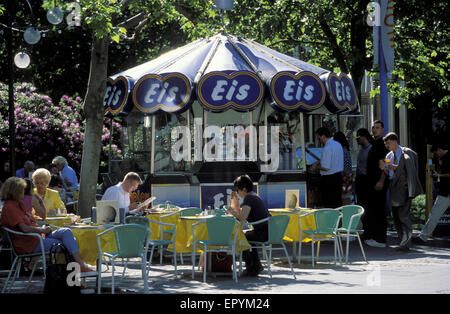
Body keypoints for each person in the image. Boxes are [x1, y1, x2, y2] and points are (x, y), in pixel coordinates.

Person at [0, 177, 94, 273]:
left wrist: (42, 227)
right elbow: (24, 228)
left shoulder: (17, 204)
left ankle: (77, 269)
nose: (26, 194)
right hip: (30, 244)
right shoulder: (10, 207)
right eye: (23, 190)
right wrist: (42, 230)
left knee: (66, 233)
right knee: (69, 243)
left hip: (37, 238)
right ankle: (76, 270)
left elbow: (37, 219)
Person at [380, 132, 423, 251]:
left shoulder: (406, 152)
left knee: (403, 215)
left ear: (395, 141)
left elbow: (411, 171)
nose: (387, 146)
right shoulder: (389, 155)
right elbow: (389, 173)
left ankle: (406, 242)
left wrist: (396, 167)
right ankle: (402, 240)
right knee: (397, 217)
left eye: (388, 143)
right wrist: (384, 169)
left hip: (404, 188)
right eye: (386, 144)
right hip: (393, 187)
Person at [229, 174, 270, 276]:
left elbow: (242, 217)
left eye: (238, 190)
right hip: (269, 231)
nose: (238, 194)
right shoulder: (254, 196)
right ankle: (255, 266)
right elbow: (243, 213)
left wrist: (231, 212)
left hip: (262, 232)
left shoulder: (249, 198)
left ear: (244, 189)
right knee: (247, 236)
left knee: (242, 236)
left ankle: (251, 267)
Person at [415, 143, 449, 243]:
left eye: (436, 153)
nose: (436, 155)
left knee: (434, 214)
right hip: (445, 192)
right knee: (434, 214)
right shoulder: (444, 158)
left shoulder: (446, 158)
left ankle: (423, 237)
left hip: (446, 192)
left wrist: (438, 174)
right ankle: (423, 236)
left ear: (439, 149)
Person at [362, 120, 389, 248]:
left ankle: (380, 239)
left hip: (379, 183)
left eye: (377, 127)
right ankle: (374, 236)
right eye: (373, 127)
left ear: (382, 129)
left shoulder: (383, 145)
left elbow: (385, 164)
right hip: (371, 183)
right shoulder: (375, 144)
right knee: (373, 210)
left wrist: (381, 180)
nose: (374, 130)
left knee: (379, 210)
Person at [310, 127, 344, 208]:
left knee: (329, 204)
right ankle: (338, 220)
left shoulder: (327, 147)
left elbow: (326, 168)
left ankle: (331, 220)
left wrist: (316, 167)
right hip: (338, 178)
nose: (318, 139)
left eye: (318, 137)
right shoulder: (337, 144)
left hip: (329, 180)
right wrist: (318, 162)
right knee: (337, 204)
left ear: (323, 136)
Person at [355, 128, 373, 217]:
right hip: (360, 179)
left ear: (364, 137)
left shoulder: (370, 149)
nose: (356, 139)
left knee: (366, 203)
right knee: (360, 203)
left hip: (366, 179)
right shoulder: (361, 149)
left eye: (358, 136)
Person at [333, 131, 353, 205]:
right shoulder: (346, 149)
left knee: (343, 197)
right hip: (348, 175)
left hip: (343, 175)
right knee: (347, 196)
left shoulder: (340, 149)